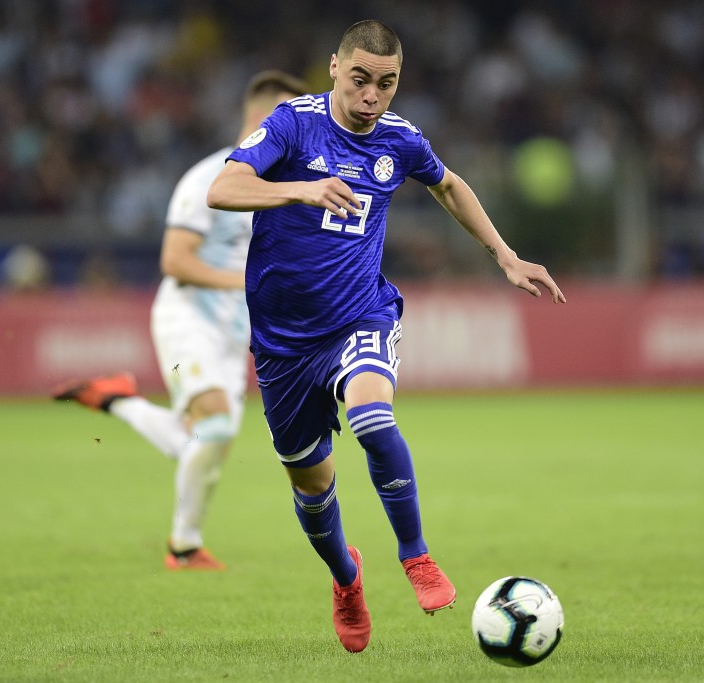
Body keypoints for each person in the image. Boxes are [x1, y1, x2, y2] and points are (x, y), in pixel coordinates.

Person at [206, 20, 566, 652]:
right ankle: (347, 579)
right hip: (283, 344)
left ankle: (416, 555)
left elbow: (448, 184)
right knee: (311, 485)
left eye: (387, 83)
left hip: (359, 316)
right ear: (334, 68)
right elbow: (223, 187)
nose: (372, 96)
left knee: (373, 416)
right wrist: (299, 188)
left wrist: (505, 256)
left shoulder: (399, 139)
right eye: (360, 79)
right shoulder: (293, 124)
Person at [53, 70, 309, 571]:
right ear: (262, 119)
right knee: (214, 427)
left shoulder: (282, 189)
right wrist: (245, 282)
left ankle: (119, 400)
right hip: (188, 316)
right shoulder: (209, 177)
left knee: (204, 440)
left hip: (235, 334)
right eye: (291, 118)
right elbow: (175, 260)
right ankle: (183, 546)